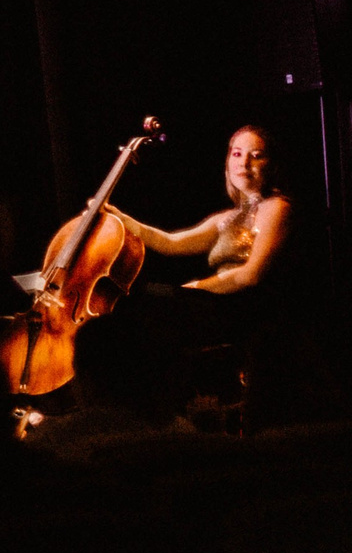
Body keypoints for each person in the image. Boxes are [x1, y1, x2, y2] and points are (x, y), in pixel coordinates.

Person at [94, 125, 294, 418]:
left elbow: (250, 275)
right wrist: (120, 219)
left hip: (249, 307)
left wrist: (198, 288)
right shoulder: (227, 217)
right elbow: (171, 242)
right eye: (237, 154)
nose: (244, 163)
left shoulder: (277, 207)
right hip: (220, 302)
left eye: (256, 156)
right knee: (142, 298)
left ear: (272, 164)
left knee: (154, 306)